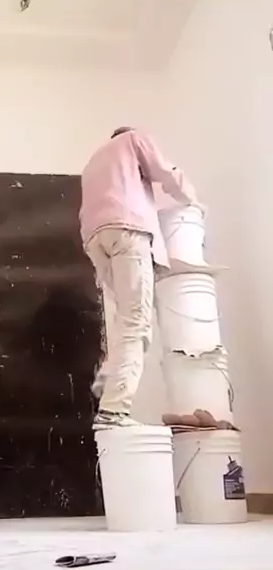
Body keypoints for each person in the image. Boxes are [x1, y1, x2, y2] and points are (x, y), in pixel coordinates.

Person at [80, 127, 200, 430]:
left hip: (96, 238)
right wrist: (191, 200)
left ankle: (107, 379)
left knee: (125, 318)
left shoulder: (94, 162)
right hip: (127, 231)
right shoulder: (133, 139)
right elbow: (165, 171)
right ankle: (114, 410)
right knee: (136, 323)